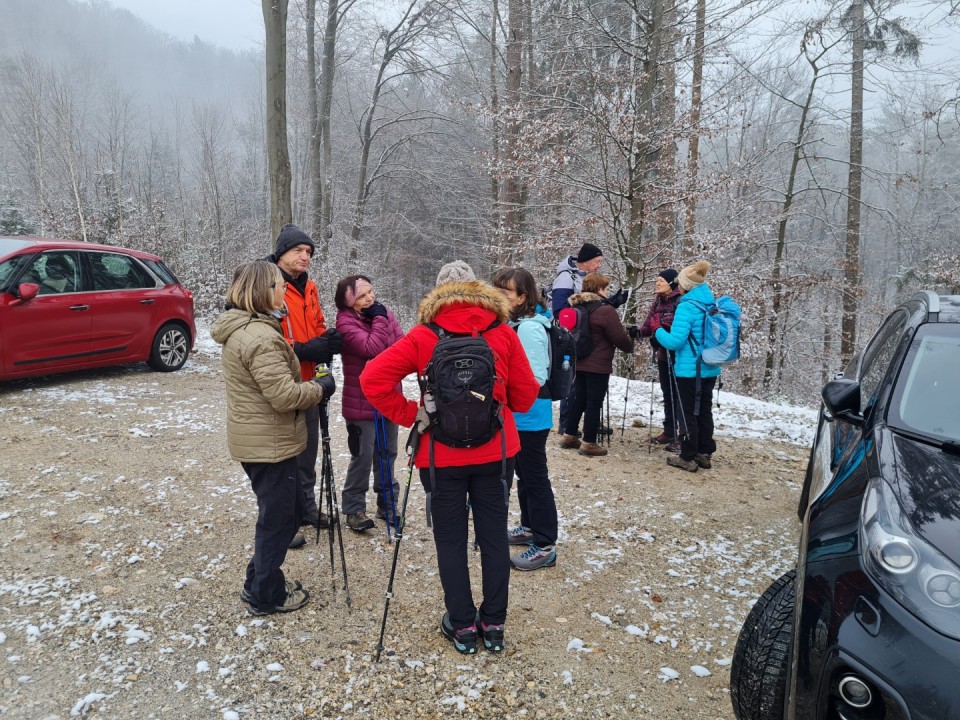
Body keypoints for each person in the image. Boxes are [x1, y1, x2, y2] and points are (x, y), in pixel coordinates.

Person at [360, 260, 539, 655]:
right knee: (493, 537)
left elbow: (372, 379)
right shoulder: (502, 332)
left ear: (437, 294)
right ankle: (493, 624)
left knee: (451, 539)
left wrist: (415, 416)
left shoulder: (424, 334)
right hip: (496, 454)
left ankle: (461, 626)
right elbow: (526, 398)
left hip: (440, 457)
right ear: (478, 289)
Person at [210, 260, 337, 615]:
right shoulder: (260, 337)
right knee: (279, 517)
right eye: (279, 285)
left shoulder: (255, 328)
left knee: (285, 511)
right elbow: (283, 396)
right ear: (263, 290)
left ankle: (260, 581)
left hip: (265, 440)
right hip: (269, 444)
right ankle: (265, 593)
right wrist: (321, 387)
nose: (284, 290)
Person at [268, 224, 344, 549]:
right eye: (299, 250)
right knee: (283, 453)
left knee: (308, 449)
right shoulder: (266, 283)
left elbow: (317, 325)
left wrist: (328, 341)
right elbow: (265, 335)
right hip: (281, 381)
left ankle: (306, 508)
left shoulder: (308, 286)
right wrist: (300, 348)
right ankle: (282, 520)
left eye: (309, 252)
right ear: (282, 252)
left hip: (309, 381)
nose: (305, 257)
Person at [492, 267, 559, 572]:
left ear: (522, 297)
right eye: (498, 289)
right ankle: (530, 527)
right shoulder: (516, 323)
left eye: (506, 292)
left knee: (535, 477)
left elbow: (536, 377)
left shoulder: (530, 328)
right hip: (521, 415)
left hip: (530, 415)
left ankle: (545, 544)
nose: (499, 296)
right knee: (524, 475)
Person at [334, 274, 404, 532]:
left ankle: (388, 504)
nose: (370, 298)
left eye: (371, 292)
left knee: (388, 454)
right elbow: (372, 348)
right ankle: (354, 509)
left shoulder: (383, 313)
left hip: (389, 397)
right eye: (362, 296)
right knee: (362, 456)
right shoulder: (345, 323)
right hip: (360, 402)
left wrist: (380, 318)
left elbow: (400, 347)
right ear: (350, 301)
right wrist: (380, 319)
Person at [655, 260, 720, 472]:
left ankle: (688, 455)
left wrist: (658, 332)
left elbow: (675, 341)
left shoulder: (686, 306)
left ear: (685, 285)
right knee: (704, 409)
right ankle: (704, 452)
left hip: (689, 369)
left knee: (687, 412)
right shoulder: (710, 303)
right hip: (710, 366)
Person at [560, 272, 634, 457]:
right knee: (594, 402)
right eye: (606, 288)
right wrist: (629, 345)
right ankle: (589, 442)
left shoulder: (577, 307)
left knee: (579, 399)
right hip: (598, 364)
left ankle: (569, 435)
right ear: (600, 289)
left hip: (580, 360)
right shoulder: (605, 311)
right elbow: (618, 337)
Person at [637, 268, 682, 452]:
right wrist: (638, 332)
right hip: (663, 356)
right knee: (667, 393)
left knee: (679, 394)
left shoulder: (680, 301)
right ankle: (669, 430)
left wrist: (661, 332)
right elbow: (649, 324)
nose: (657, 283)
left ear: (672, 284)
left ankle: (682, 435)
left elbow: (678, 328)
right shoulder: (657, 301)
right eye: (657, 280)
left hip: (678, 356)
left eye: (661, 281)